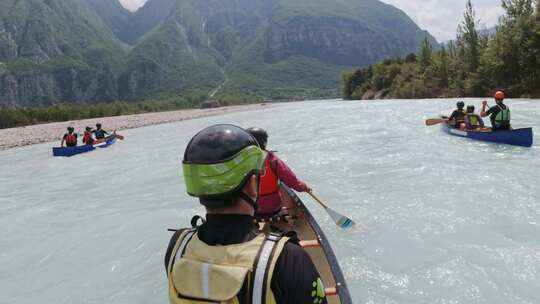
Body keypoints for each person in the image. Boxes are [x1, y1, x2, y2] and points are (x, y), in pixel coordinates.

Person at [165, 124, 327, 304]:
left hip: (258, 214)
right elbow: (291, 179)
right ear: (251, 184)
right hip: (273, 210)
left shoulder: (177, 246)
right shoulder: (290, 258)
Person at [246, 127, 312, 215]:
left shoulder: (241, 161)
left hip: (250, 207)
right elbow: (291, 181)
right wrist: (304, 187)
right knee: (281, 183)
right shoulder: (272, 160)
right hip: (272, 206)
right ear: (264, 143)